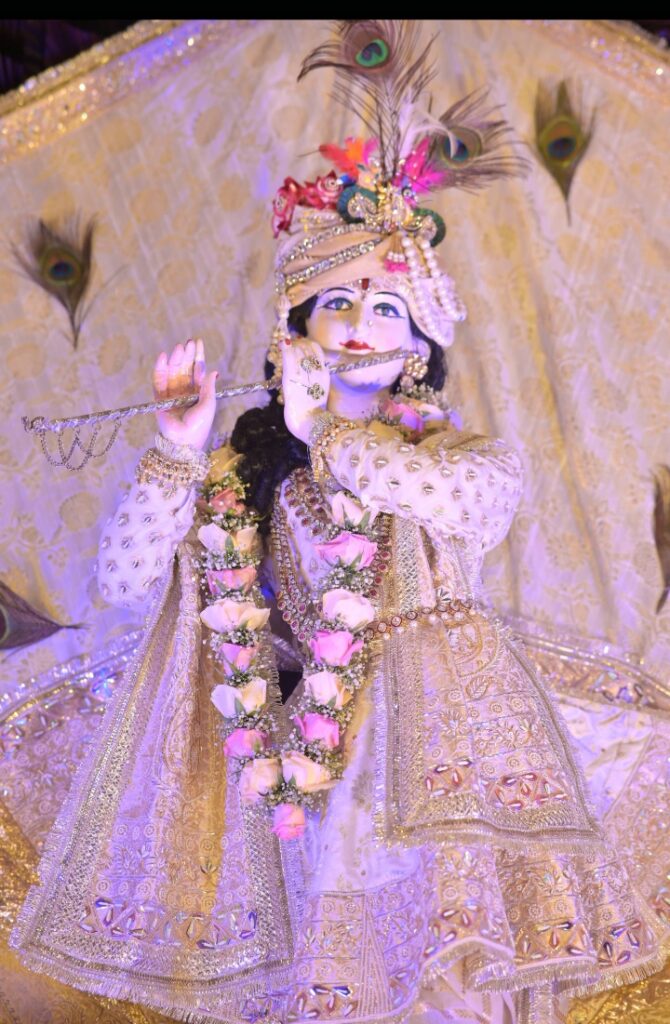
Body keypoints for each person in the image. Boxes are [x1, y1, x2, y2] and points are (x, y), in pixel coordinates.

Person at [11, 20, 669, 1024]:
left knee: (451, 990)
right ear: (294, 335)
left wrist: (326, 432)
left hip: (440, 775)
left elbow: (449, 502)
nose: (360, 325)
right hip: (302, 779)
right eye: (335, 306)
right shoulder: (245, 477)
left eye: (387, 310)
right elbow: (125, 581)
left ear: (417, 349)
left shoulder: (463, 459)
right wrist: (180, 448)